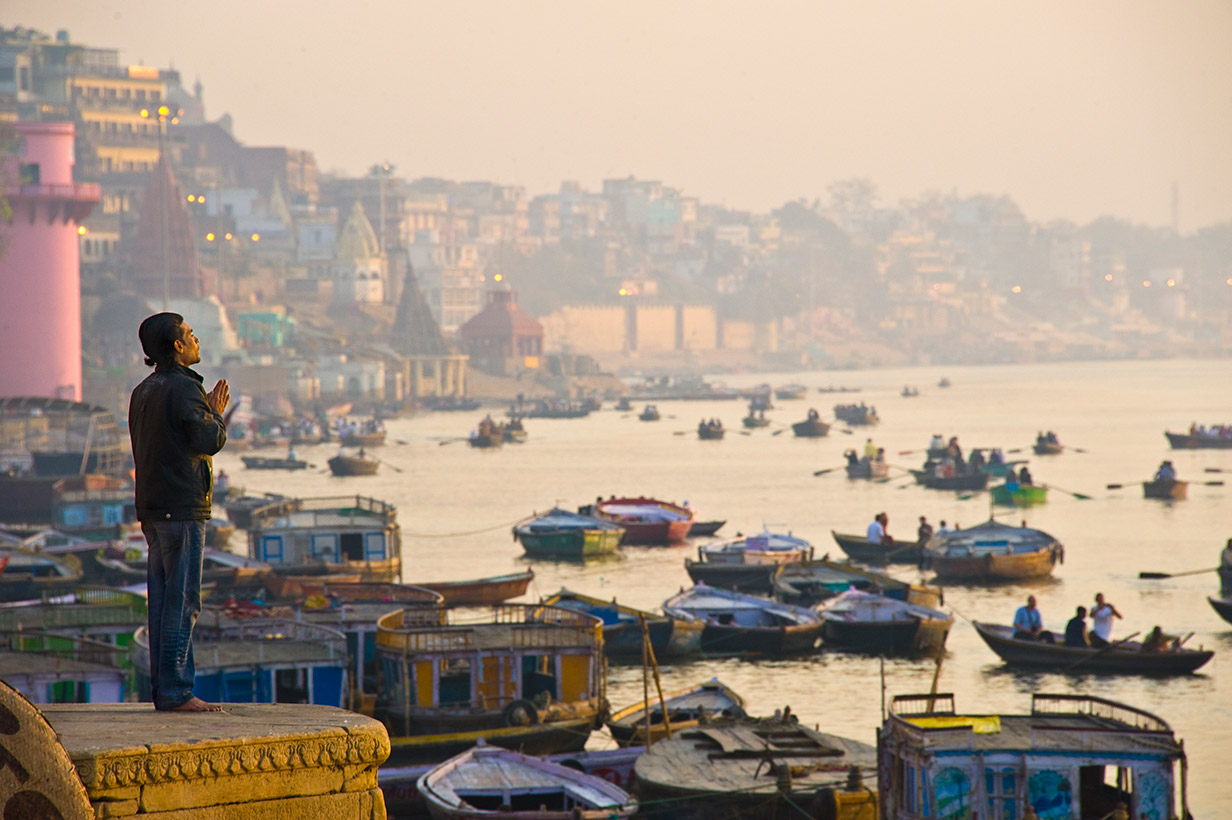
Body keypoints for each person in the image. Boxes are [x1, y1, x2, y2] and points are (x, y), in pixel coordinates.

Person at [129, 313, 228, 713]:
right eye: (190, 334)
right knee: (183, 601)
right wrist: (215, 411)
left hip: (152, 508)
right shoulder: (184, 390)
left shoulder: (143, 390)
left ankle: (164, 690)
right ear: (176, 346)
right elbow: (209, 439)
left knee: (162, 600)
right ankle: (176, 693)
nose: (196, 338)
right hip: (180, 508)